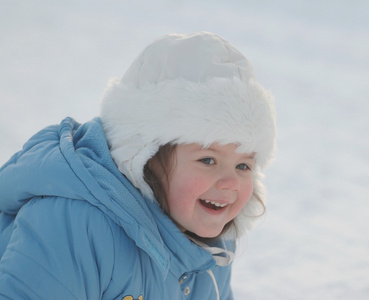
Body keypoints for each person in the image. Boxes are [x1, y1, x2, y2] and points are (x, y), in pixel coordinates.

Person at [0, 32, 276, 299]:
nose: (231, 183)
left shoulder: (213, 246)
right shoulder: (75, 224)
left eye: (243, 166)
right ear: (143, 156)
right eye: (208, 160)